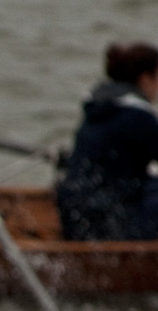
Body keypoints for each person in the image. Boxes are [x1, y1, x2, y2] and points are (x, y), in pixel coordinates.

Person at [56, 42, 158, 241]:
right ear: (145, 79)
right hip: (106, 221)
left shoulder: (99, 105)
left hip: (73, 214)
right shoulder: (137, 115)